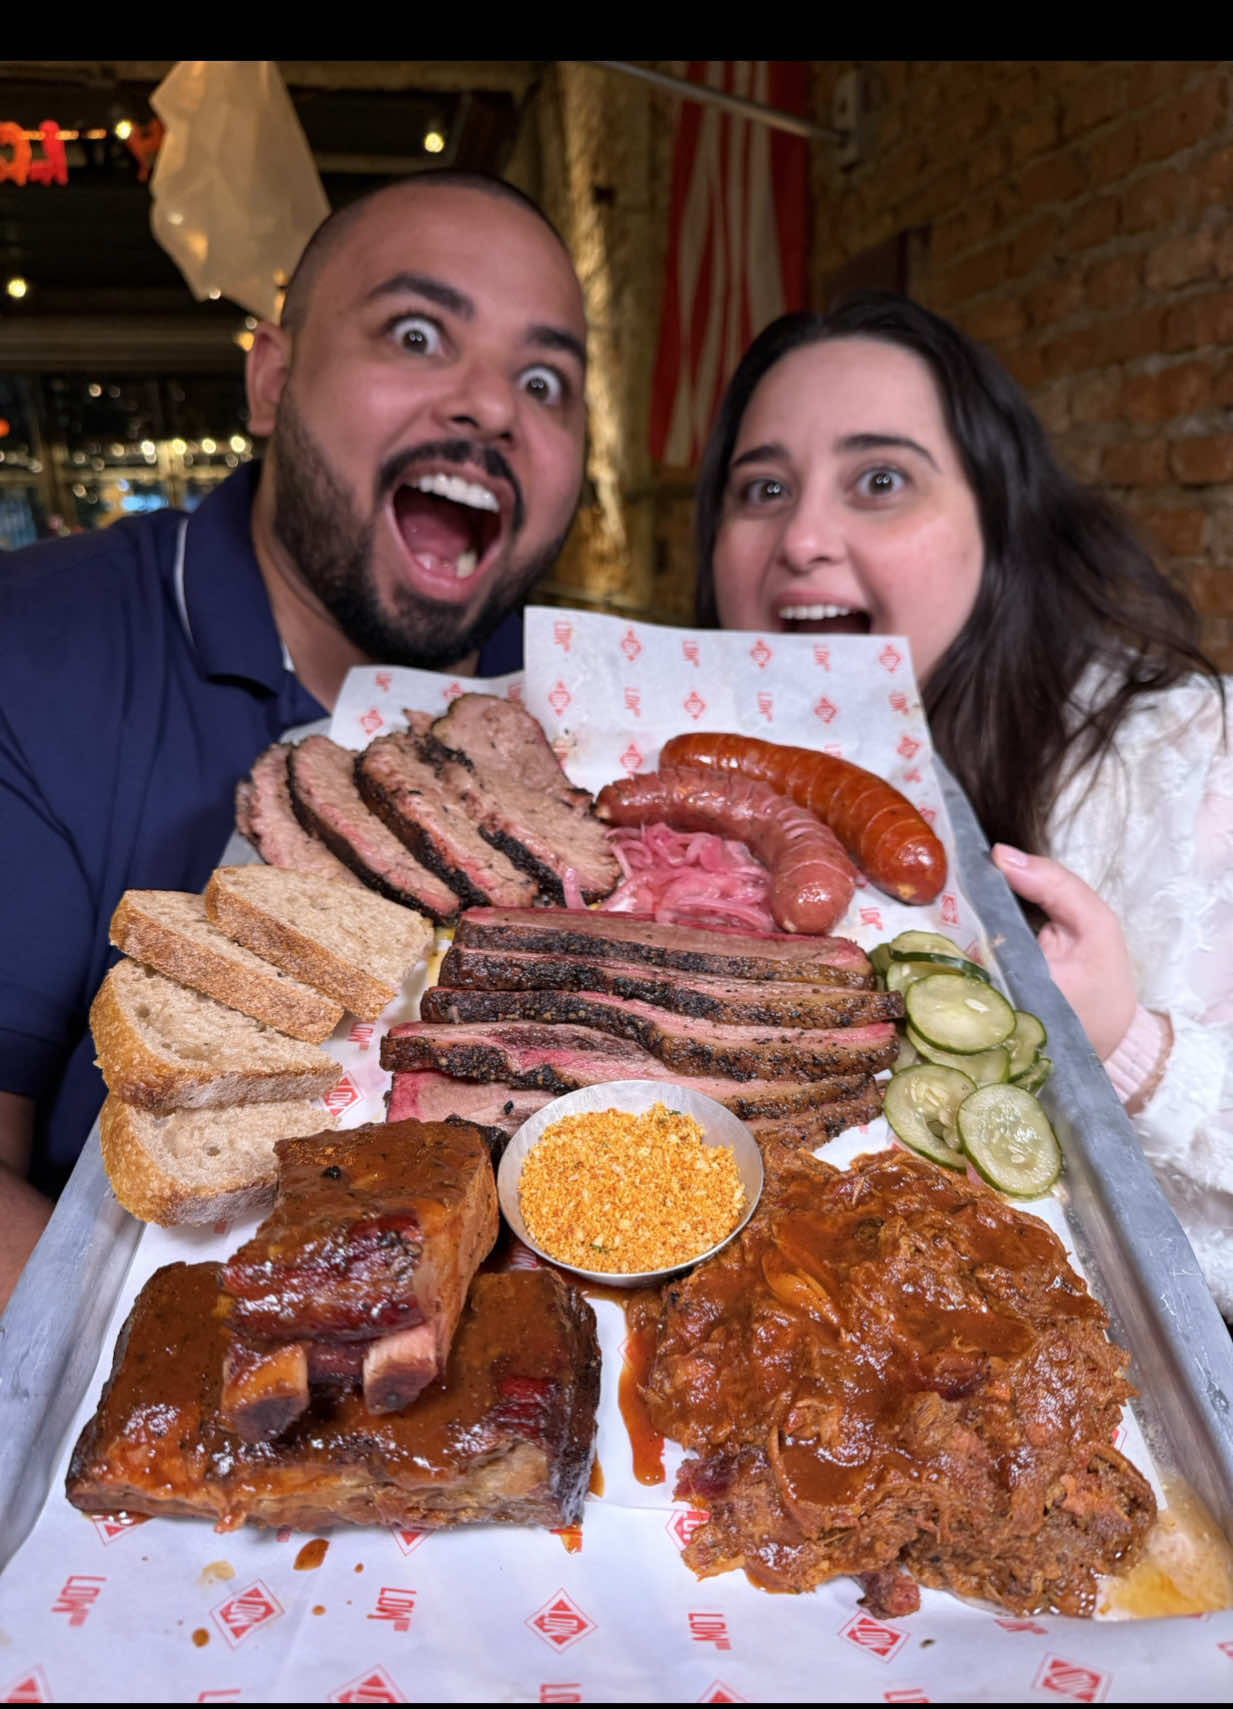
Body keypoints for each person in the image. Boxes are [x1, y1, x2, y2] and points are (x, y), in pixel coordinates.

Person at [0, 171, 589, 1308]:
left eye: (542, 381)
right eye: (417, 334)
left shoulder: (577, 707)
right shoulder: (32, 648)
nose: (491, 406)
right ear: (270, 379)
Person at [695, 291, 1233, 1317]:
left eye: (880, 480)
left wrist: (1125, 1042)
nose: (802, 537)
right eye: (762, 488)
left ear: (998, 516)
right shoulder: (678, 783)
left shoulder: (1199, 755)